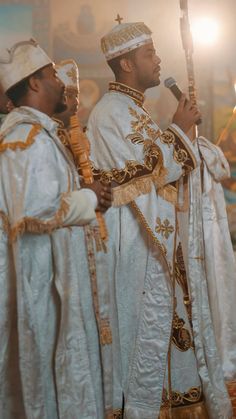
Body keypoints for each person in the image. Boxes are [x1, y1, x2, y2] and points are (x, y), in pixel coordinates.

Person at [87, 21, 233, 418]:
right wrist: (180, 131)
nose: (158, 59)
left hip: (162, 245)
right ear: (127, 63)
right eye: (150, 53)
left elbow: (162, 173)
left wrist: (188, 143)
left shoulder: (135, 109)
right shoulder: (109, 113)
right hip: (138, 247)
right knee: (144, 340)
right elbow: (135, 176)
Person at [0, 39, 113, 419]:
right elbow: (33, 210)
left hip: (54, 280)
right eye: (50, 75)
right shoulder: (22, 139)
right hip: (38, 285)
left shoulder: (41, 134)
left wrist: (88, 196)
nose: (59, 81)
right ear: (33, 83)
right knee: (42, 379)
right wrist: (87, 200)